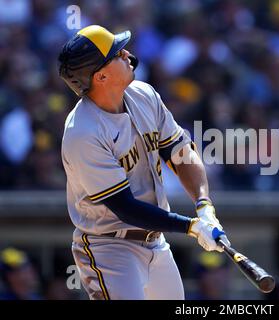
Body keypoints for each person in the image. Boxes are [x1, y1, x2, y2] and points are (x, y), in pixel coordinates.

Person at [58, 25, 230, 300]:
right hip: (109, 249)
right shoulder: (82, 132)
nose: (126, 53)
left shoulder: (144, 95)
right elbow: (124, 207)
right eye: (116, 53)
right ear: (101, 76)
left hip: (156, 243)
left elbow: (180, 152)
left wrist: (204, 205)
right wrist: (191, 227)